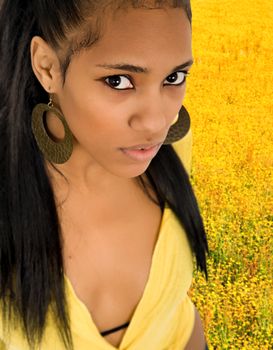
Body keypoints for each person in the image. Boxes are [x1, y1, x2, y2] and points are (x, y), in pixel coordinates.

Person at [0, 0, 209, 349]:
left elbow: (177, 313)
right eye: (118, 80)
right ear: (47, 67)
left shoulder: (174, 148)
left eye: (174, 77)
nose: (157, 122)